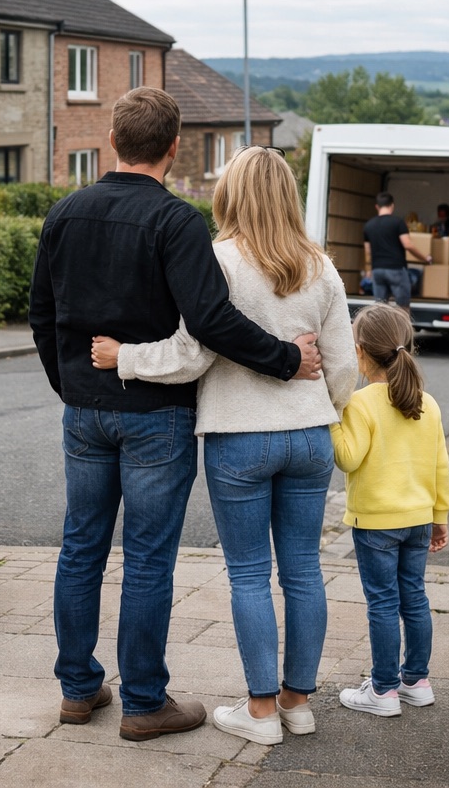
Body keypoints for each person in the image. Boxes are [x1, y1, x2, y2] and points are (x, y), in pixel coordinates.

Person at [29, 88, 323, 743]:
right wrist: (283, 360)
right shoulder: (178, 223)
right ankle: (143, 703)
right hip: (156, 416)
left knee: (81, 548)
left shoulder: (65, 213)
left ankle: (78, 690)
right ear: (172, 147)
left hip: (85, 409)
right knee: (147, 559)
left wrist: (70, 385)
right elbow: (214, 322)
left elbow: (41, 315)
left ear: (111, 138)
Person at [90, 145, 357, 746]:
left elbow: (192, 355)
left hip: (240, 437)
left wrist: (124, 357)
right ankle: (298, 703)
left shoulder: (219, 261)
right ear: (288, 195)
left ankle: (260, 712)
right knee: (305, 572)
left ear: (230, 194)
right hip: (310, 437)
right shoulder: (321, 266)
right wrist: (320, 411)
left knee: (248, 576)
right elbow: (342, 368)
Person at [332, 304, 449, 718]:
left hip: (376, 524)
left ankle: (382, 690)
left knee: (382, 603)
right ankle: (416, 681)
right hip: (419, 519)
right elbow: (440, 466)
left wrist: (332, 415)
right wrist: (440, 518)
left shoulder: (360, 403)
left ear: (361, 351)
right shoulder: (428, 403)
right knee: (414, 598)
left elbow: (348, 458)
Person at [363, 193, 432, 312]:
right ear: (392, 206)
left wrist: (368, 269)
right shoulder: (398, 222)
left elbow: (368, 251)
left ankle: (380, 330)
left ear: (377, 207)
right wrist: (424, 258)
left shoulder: (368, 226)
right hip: (396, 270)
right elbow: (407, 244)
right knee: (403, 307)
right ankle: (404, 330)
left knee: (380, 307)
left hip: (377, 270)